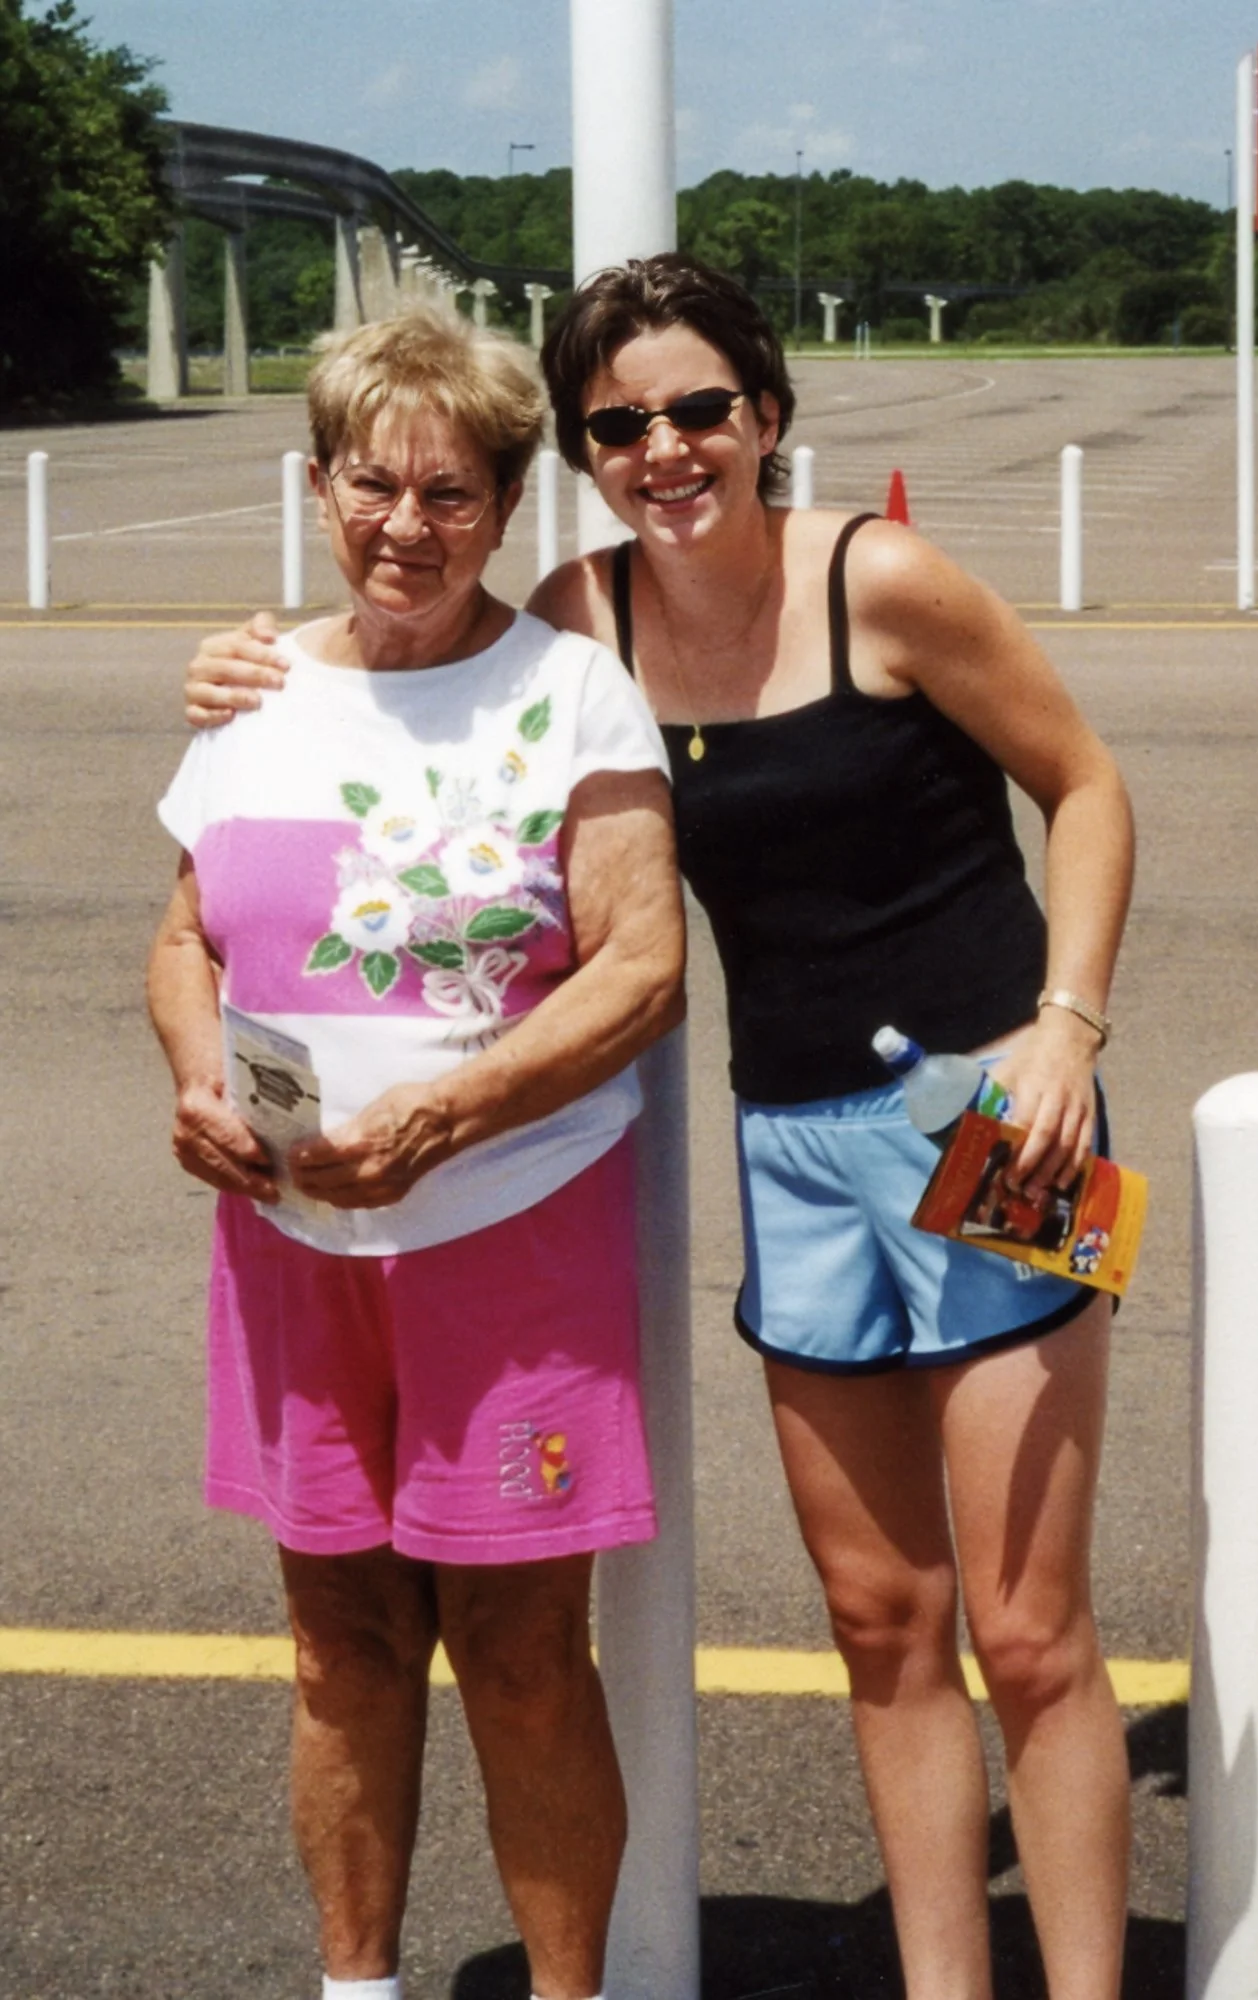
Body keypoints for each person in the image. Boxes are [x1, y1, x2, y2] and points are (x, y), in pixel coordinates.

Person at [183, 255, 1136, 2000]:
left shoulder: (886, 578)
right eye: (624, 424)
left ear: (768, 415)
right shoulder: (586, 620)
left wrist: (1070, 1030)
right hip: (797, 1136)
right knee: (882, 1622)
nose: (668, 447)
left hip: (1003, 1110)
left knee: (1030, 1626)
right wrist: (247, 661)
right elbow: (415, 685)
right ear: (589, 456)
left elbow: (1087, 785)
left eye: (703, 409)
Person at [152, 307, 685, 2000]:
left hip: (511, 1241)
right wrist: (196, 1084)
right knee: (341, 1650)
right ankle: (354, 1985)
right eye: (373, 485)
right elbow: (184, 943)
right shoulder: (256, 691)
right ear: (319, 486)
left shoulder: (569, 691)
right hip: (294, 1245)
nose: (406, 527)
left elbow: (645, 965)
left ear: (509, 503)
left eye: (451, 494)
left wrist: (454, 1112)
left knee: (523, 1659)